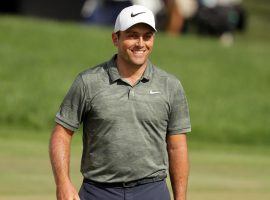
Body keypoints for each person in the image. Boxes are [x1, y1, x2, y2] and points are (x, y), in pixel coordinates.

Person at [49, 5, 191, 200]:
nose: (141, 43)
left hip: (152, 190)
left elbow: (177, 147)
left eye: (147, 36)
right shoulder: (88, 82)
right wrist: (63, 183)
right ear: (116, 38)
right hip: (98, 192)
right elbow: (61, 135)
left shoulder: (170, 86)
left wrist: (180, 198)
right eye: (133, 35)